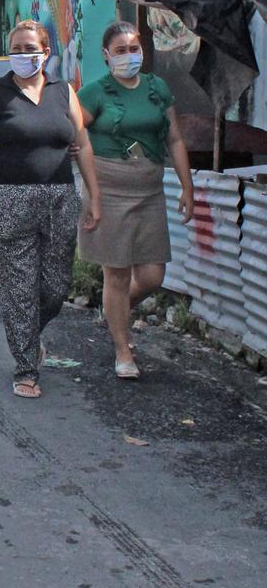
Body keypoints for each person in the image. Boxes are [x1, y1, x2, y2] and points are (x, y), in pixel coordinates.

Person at [0, 20, 101, 399]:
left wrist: (94, 196)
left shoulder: (62, 92)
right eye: (16, 48)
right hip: (9, 198)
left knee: (55, 286)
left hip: (58, 197)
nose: (23, 54)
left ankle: (29, 336)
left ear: (46, 51)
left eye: (29, 48)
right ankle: (25, 368)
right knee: (19, 289)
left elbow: (82, 144)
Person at [77, 21, 194, 379]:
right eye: (121, 50)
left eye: (134, 48)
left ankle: (115, 312)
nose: (130, 56)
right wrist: (91, 191)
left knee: (152, 274)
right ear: (106, 55)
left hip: (149, 191)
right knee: (116, 273)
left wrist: (188, 187)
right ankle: (122, 348)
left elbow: (173, 140)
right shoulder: (96, 92)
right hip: (108, 191)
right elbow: (76, 137)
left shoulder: (158, 88)